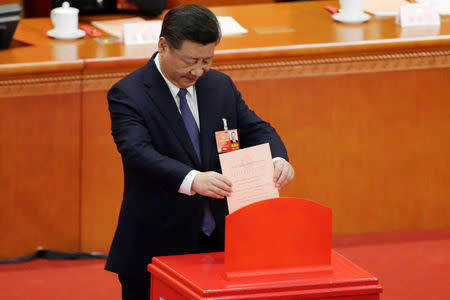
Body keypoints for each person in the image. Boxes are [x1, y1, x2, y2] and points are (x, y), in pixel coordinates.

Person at [105, 4, 295, 299]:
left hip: (220, 242)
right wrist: (193, 179)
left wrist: (278, 158)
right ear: (163, 46)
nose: (198, 71)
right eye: (190, 61)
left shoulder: (219, 85)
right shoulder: (129, 93)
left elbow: (256, 129)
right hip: (156, 243)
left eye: (207, 60)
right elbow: (137, 152)